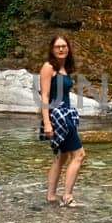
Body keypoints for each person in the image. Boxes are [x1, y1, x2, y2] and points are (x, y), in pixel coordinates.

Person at [39, 35, 86, 206]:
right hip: (57, 116)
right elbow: (44, 96)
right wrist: (48, 123)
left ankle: (51, 196)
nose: (61, 49)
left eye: (64, 46)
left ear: (68, 48)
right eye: (58, 46)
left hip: (67, 114)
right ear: (52, 49)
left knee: (62, 156)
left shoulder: (65, 68)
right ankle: (68, 196)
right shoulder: (48, 67)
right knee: (79, 154)